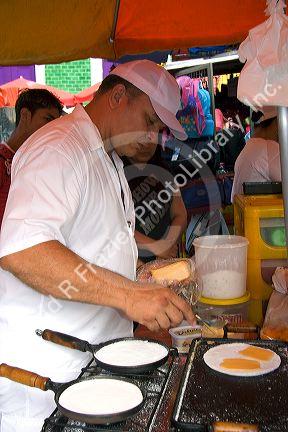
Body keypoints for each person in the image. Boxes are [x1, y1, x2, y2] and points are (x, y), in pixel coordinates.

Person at [0, 60, 195, 432]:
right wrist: (129, 296)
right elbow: (22, 250)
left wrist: (139, 277)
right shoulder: (60, 148)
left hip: (90, 378)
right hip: (44, 386)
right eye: (150, 121)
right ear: (118, 96)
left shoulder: (109, 160)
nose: (154, 138)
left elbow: (94, 246)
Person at [0, 88, 62, 228]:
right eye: (48, 120)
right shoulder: (2, 161)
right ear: (25, 115)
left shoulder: (42, 161)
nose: (54, 128)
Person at [123, 142, 187, 264]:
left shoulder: (164, 171)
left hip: (165, 260)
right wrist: (155, 247)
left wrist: (168, 243)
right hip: (132, 262)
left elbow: (180, 214)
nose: (146, 145)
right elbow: (118, 227)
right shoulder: (117, 174)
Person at [231, 106, 280, 202]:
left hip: (241, 213)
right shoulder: (269, 147)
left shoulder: (250, 145)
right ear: (277, 122)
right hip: (258, 214)